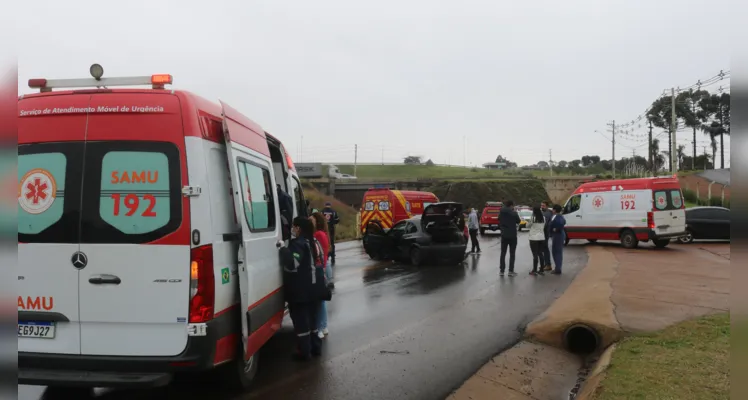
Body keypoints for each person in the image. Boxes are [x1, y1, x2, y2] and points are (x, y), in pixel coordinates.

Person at [282, 217, 322, 361]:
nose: (292, 229)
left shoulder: (298, 244)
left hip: (300, 291)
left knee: (301, 323)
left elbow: (293, 264)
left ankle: (304, 352)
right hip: (313, 289)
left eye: (294, 226)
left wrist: (283, 249)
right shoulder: (312, 241)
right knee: (312, 322)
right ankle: (316, 347)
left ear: (298, 228)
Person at [310, 212, 332, 339]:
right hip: (324, 268)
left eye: (311, 220)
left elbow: (320, 253)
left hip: (321, 268)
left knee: (319, 301)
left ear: (316, 222)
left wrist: (321, 271)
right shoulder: (323, 233)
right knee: (321, 300)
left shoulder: (318, 234)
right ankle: (323, 326)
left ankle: (320, 327)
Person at [499, 200, 521, 276]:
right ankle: (510, 271)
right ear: (511, 205)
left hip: (504, 234)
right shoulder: (513, 213)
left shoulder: (501, 211)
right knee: (512, 253)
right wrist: (515, 212)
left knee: (503, 253)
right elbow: (519, 221)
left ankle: (501, 271)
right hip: (512, 235)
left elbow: (499, 219)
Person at [527, 207, 547, 276]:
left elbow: (528, 225)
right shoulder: (543, 218)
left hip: (533, 238)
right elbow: (544, 226)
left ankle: (534, 270)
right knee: (540, 253)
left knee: (535, 254)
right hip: (541, 237)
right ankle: (541, 269)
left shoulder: (533, 218)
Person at [549, 204, 567, 275]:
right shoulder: (560, 216)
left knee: (557, 252)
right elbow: (564, 222)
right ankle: (558, 267)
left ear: (554, 210)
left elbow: (561, 223)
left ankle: (558, 268)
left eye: (553, 209)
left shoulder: (557, 216)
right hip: (559, 235)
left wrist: (556, 229)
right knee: (556, 251)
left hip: (558, 235)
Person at [540, 201, 553, 272]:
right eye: (541, 205)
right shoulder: (545, 212)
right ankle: (546, 264)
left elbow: (544, 224)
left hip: (545, 233)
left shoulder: (547, 213)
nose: (542, 207)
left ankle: (548, 264)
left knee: (545, 249)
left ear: (547, 206)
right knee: (543, 249)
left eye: (543, 206)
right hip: (543, 233)